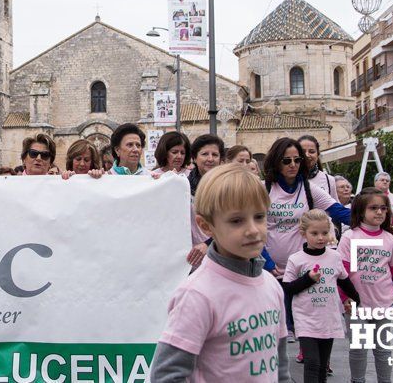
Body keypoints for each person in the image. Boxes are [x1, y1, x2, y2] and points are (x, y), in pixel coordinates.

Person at [149, 164, 290, 383]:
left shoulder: (272, 286)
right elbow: (166, 375)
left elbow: (280, 365)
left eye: (259, 216)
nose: (253, 229)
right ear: (206, 226)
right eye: (236, 220)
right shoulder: (197, 294)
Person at [262, 137, 350, 342]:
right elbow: (252, 227)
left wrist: (375, 222)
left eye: (297, 160)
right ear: (276, 162)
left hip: (303, 268)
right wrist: (265, 259)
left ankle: (314, 362)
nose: (293, 165)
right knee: (279, 331)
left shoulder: (309, 189)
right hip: (271, 269)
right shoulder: (263, 189)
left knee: (306, 328)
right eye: (286, 161)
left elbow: (338, 211)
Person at [338, 187, 393, 383]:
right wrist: (345, 299)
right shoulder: (350, 237)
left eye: (383, 208)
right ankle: (357, 380)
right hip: (356, 305)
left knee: (383, 349)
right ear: (361, 211)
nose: (379, 212)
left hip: (383, 304)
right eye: (373, 208)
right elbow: (342, 272)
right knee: (358, 348)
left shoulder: (390, 238)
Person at [283, 209, 359, 383]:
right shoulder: (296, 259)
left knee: (323, 364)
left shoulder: (334, 256)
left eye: (324, 233)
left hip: (328, 318)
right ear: (303, 233)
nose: (320, 238)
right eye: (314, 233)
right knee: (312, 362)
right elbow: (287, 288)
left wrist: (356, 299)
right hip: (306, 318)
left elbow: (344, 281)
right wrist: (307, 279)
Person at [186, 134, 225, 269]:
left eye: (215, 155)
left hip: (220, 255)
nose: (210, 159)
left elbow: (232, 224)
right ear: (194, 158)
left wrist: (208, 243)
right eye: (204, 154)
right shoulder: (183, 184)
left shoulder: (228, 187)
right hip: (189, 258)